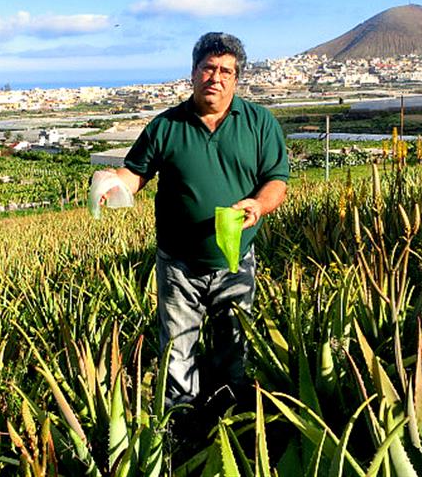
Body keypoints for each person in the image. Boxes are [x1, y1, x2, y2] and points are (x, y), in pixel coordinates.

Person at [106, 32, 289, 410]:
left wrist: (258, 204)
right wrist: (113, 185)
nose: (216, 78)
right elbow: (136, 173)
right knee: (176, 350)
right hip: (178, 263)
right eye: (208, 68)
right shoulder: (165, 126)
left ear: (236, 78)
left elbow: (276, 180)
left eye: (226, 71)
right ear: (193, 72)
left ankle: (230, 416)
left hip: (235, 260)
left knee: (233, 347)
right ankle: (181, 426)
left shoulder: (259, 123)